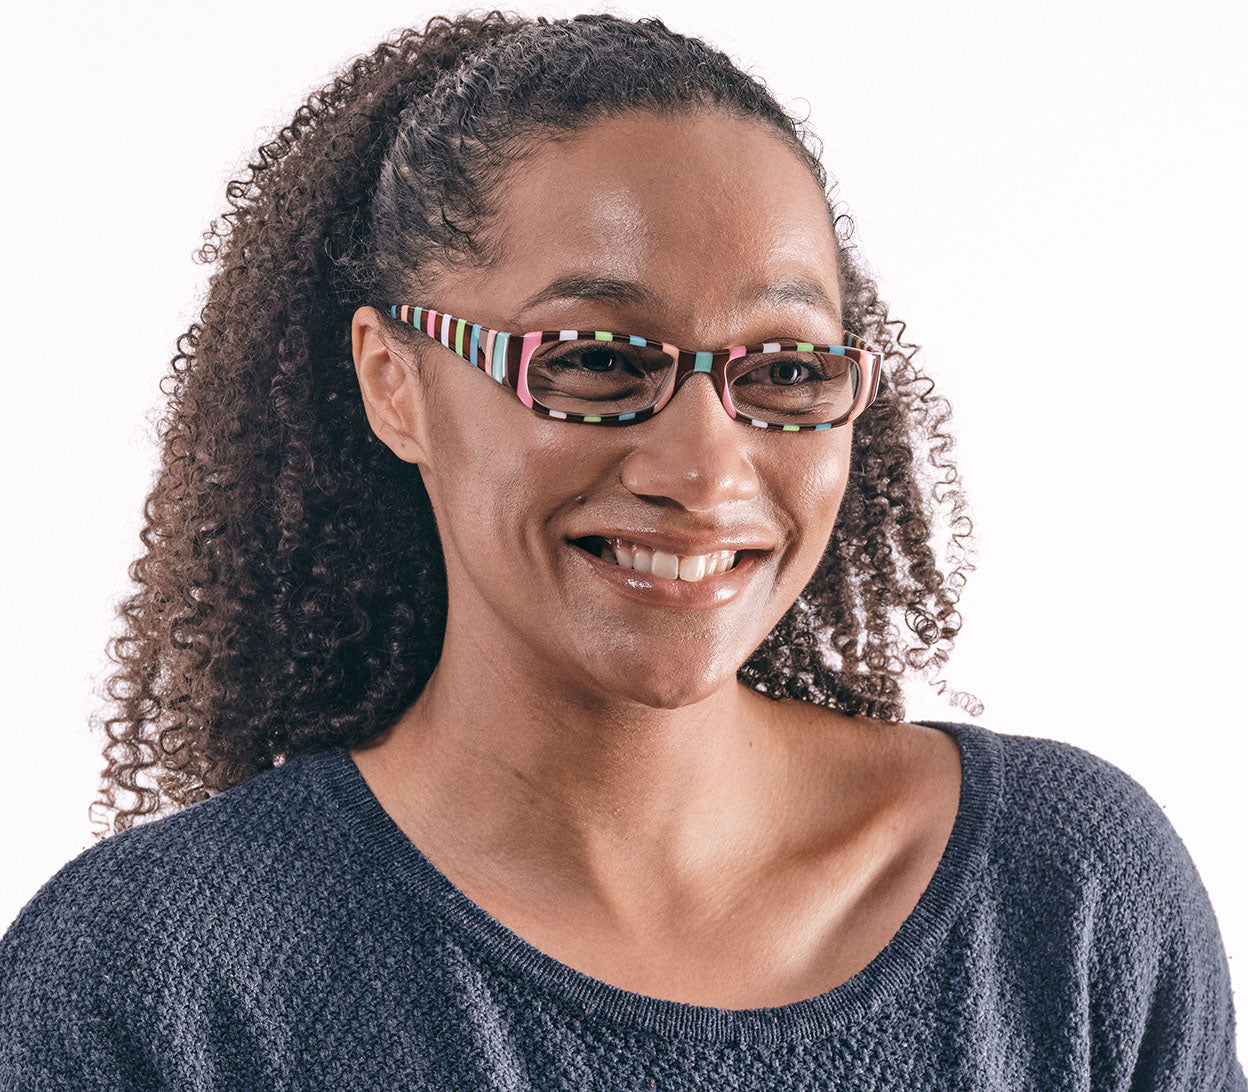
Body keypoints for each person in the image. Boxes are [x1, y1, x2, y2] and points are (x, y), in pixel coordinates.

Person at [0, 11, 1242, 1090]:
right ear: (396, 383)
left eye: (788, 369)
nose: (704, 471)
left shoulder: (1065, 901)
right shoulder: (153, 978)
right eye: (596, 359)